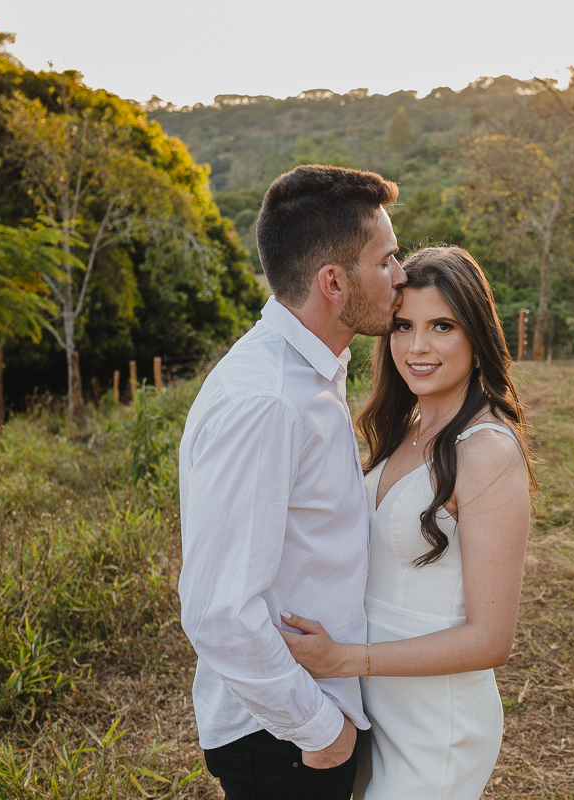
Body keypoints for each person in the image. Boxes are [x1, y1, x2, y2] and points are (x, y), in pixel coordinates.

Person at [177, 164, 405, 799]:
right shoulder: (268, 401)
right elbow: (217, 609)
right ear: (333, 282)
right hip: (280, 738)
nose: (401, 275)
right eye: (385, 260)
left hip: (308, 719)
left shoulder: (308, 378)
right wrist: (319, 729)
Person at [278, 246, 535, 800]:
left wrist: (347, 658)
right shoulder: (406, 428)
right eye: (402, 326)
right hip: (375, 703)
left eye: (442, 326)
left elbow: (492, 640)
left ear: (477, 334)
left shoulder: (486, 449)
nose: (417, 347)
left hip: (435, 720)